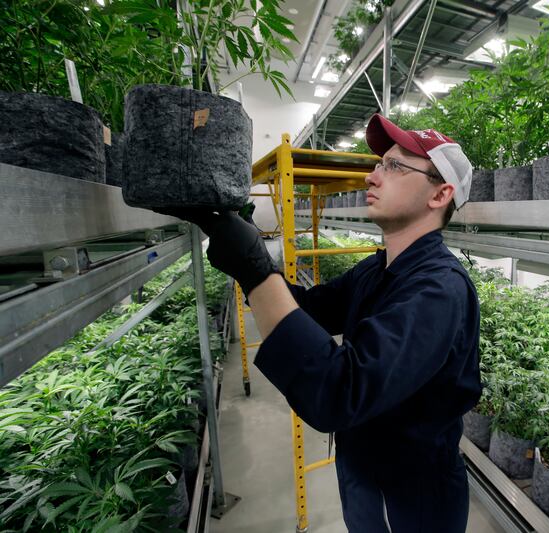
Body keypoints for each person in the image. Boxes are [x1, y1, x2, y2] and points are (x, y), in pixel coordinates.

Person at [180, 114, 481, 532]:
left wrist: (254, 272)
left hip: (411, 491)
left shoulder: (439, 291)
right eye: (378, 164)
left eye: (394, 166)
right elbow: (307, 307)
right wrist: (251, 256)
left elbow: (340, 392)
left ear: (440, 194)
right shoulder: (378, 270)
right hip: (363, 469)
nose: (372, 177)